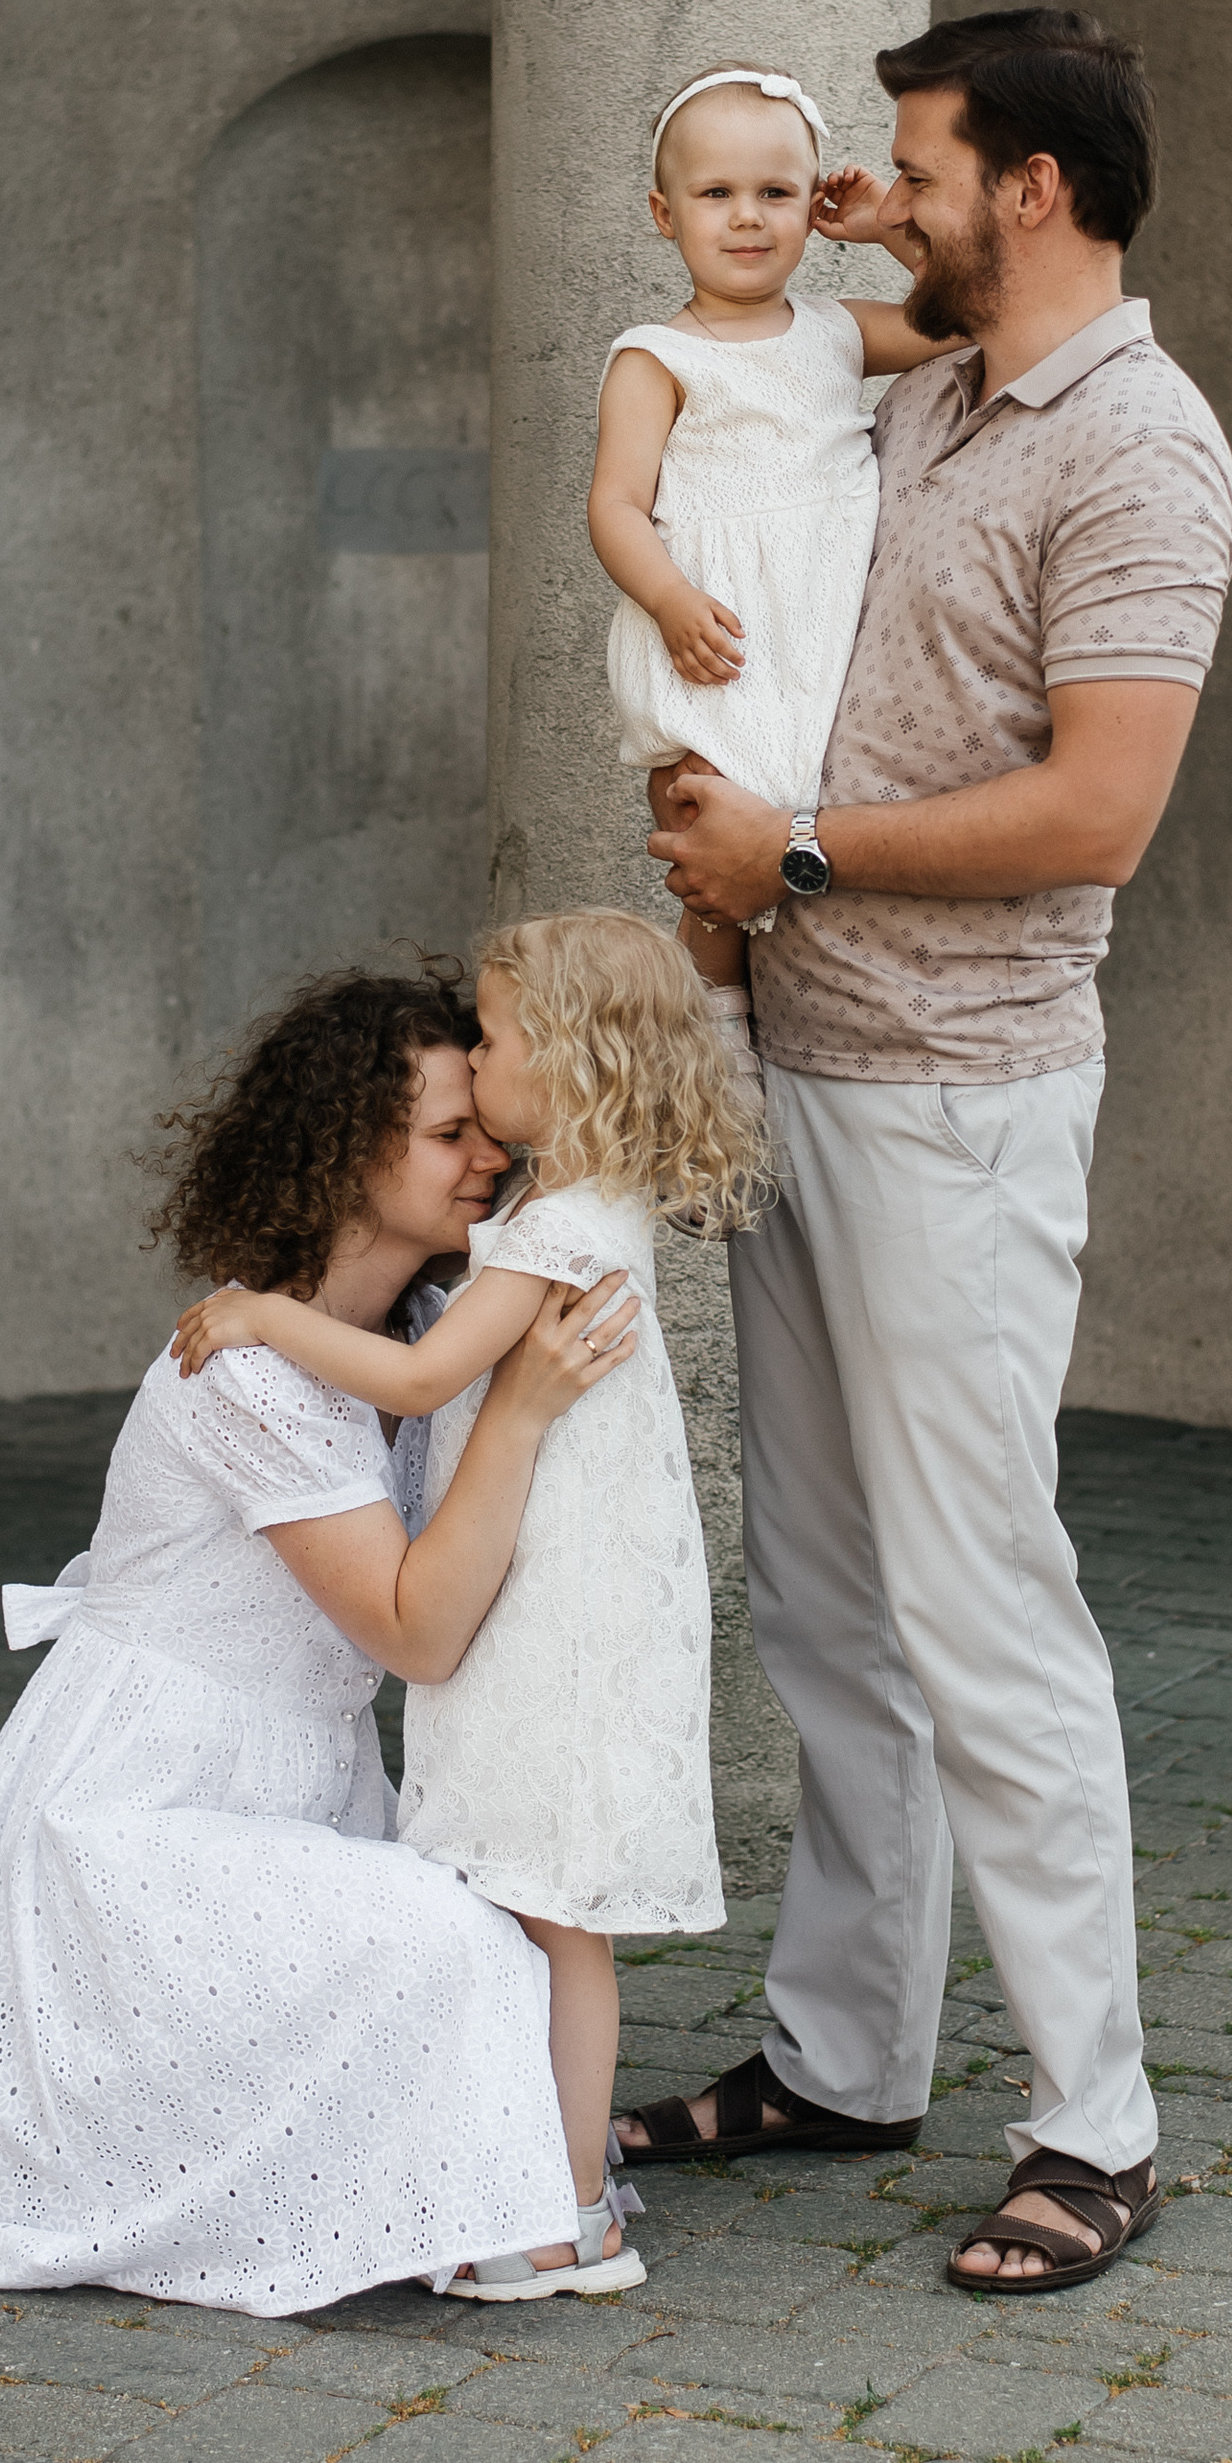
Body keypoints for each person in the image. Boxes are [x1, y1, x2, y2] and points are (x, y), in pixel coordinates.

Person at [622, 8, 1232, 2299]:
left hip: (957, 1100)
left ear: (1033, 189)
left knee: (982, 1608)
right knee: (820, 1597)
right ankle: (840, 2053)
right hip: (794, 1058)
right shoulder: (929, 393)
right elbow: (753, 387)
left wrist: (790, 846)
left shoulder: (1141, 445)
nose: (875, 195)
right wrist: (842, 235)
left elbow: (1098, 808)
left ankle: (1095, 2125)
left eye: (915, 164)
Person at [0, 971, 639, 2321]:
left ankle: (491, 2191)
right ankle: (476, 2204)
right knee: (451, 1945)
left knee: (514, 1932)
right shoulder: (243, 1369)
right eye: (447, 1133)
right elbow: (417, 1631)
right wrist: (520, 1416)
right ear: (340, 1152)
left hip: (302, 1781)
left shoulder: (422, 1338)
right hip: (132, 1811)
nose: (490, 1156)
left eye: (488, 1126)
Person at [171, 910, 765, 2303]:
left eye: (492, 1039)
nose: (481, 1064)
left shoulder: (555, 1229)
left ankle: (563, 2212)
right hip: (569, 1607)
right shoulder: (579, 1213)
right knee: (537, 1909)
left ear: (563, 1057)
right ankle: (538, 2180)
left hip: (557, 1626)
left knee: (547, 1911)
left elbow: (423, 1379)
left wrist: (260, 1316)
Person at [588, 64, 956, 1005]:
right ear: (665, 214)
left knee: (797, 879)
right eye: (716, 194)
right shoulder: (658, 357)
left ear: (811, 206)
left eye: (777, 193)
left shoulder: (837, 332)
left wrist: (884, 228)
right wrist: (669, 599)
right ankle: (713, 1058)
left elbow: (962, 324)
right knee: (717, 867)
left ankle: (772, 1043)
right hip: (720, 645)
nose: (747, 217)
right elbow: (616, 506)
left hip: (818, 639)